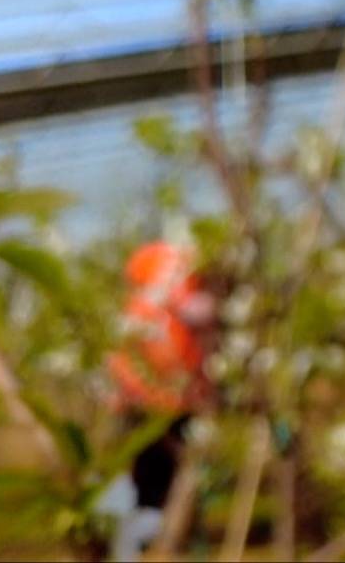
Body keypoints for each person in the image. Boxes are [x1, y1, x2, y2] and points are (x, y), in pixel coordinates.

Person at [98, 240, 218, 561]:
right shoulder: (146, 311)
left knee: (171, 481)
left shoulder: (158, 308)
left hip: (174, 406)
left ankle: (162, 540)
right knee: (150, 480)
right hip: (151, 408)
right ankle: (145, 541)